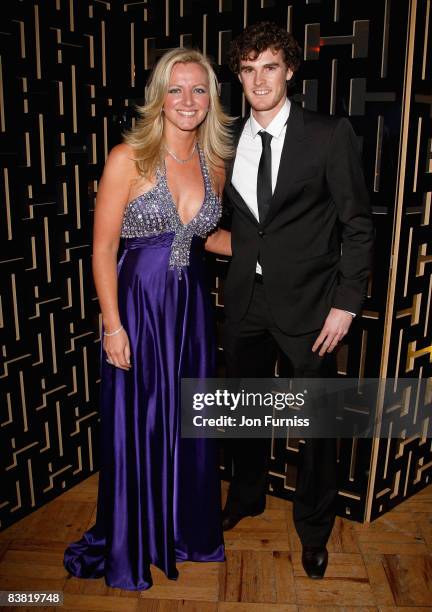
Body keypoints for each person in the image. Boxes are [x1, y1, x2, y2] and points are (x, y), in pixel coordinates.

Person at [63, 48, 232, 591]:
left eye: (199, 90)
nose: (188, 101)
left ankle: (184, 532)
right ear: (159, 95)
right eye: (176, 89)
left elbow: (206, 238)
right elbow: (103, 248)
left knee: (188, 420)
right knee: (141, 421)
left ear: (211, 100)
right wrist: (112, 325)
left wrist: (273, 252)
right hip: (139, 308)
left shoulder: (215, 164)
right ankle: (135, 540)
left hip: (192, 311)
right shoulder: (127, 159)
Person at [221, 22, 374, 579]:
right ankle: (246, 497)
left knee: (314, 427)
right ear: (238, 77)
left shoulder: (329, 134)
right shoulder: (227, 136)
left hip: (313, 308)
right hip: (244, 301)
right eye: (247, 69)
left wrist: (347, 303)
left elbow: (358, 224)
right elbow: (234, 222)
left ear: (289, 70)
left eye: (269, 67)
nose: (258, 79)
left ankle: (314, 528)